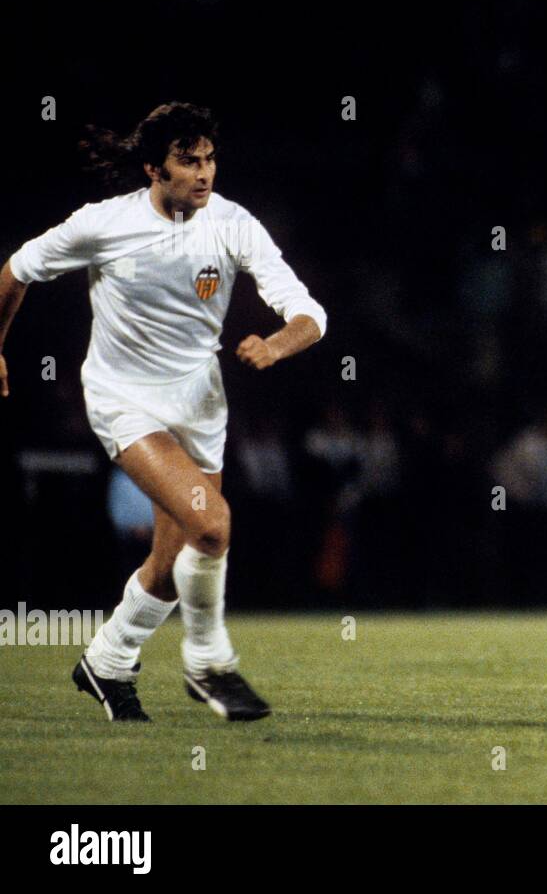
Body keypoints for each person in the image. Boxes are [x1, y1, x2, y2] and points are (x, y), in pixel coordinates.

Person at [0, 102, 327, 721]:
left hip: (200, 404)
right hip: (124, 399)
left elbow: (309, 312)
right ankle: (209, 666)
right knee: (213, 525)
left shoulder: (232, 224)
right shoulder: (103, 224)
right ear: (154, 168)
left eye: (209, 159)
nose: (203, 173)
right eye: (187, 161)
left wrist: (276, 344)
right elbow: (16, 271)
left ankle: (106, 660)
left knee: (174, 562)